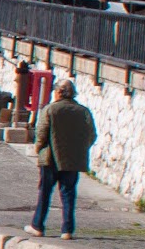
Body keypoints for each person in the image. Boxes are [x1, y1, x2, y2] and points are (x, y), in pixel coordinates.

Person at [25, 79, 97, 240]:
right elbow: (92, 135)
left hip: (50, 158)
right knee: (68, 193)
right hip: (72, 160)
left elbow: (42, 133)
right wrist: (80, 149)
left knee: (45, 192)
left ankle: (38, 226)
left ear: (58, 92)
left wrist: (37, 148)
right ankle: (67, 230)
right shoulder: (83, 111)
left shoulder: (50, 109)